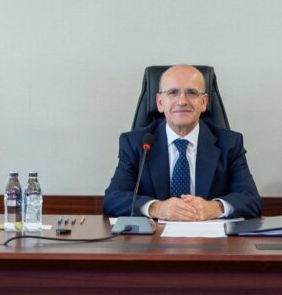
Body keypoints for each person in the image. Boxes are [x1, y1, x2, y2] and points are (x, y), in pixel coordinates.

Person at [103, 65, 262, 220]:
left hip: (208, 236)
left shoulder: (229, 143)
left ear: (204, 102)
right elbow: (113, 199)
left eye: (191, 93)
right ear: (160, 102)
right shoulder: (136, 144)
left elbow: (252, 200)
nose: (182, 101)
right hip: (155, 236)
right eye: (173, 92)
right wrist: (157, 208)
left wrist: (215, 207)